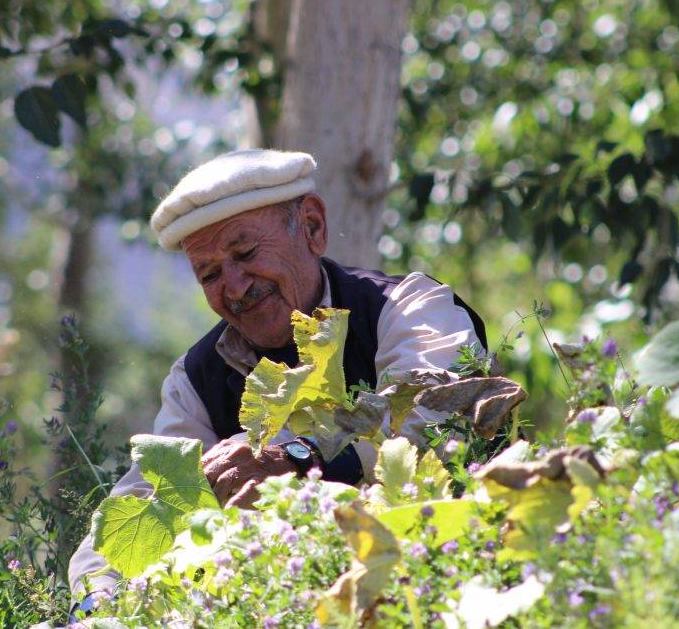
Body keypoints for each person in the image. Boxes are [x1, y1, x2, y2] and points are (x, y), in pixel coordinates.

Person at [67, 148, 486, 605]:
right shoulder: (196, 380)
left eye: (245, 252)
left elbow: (437, 407)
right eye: (209, 274)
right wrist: (94, 605)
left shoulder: (408, 307)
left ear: (312, 227)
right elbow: (144, 507)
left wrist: (295, 459)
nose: (235, 287)